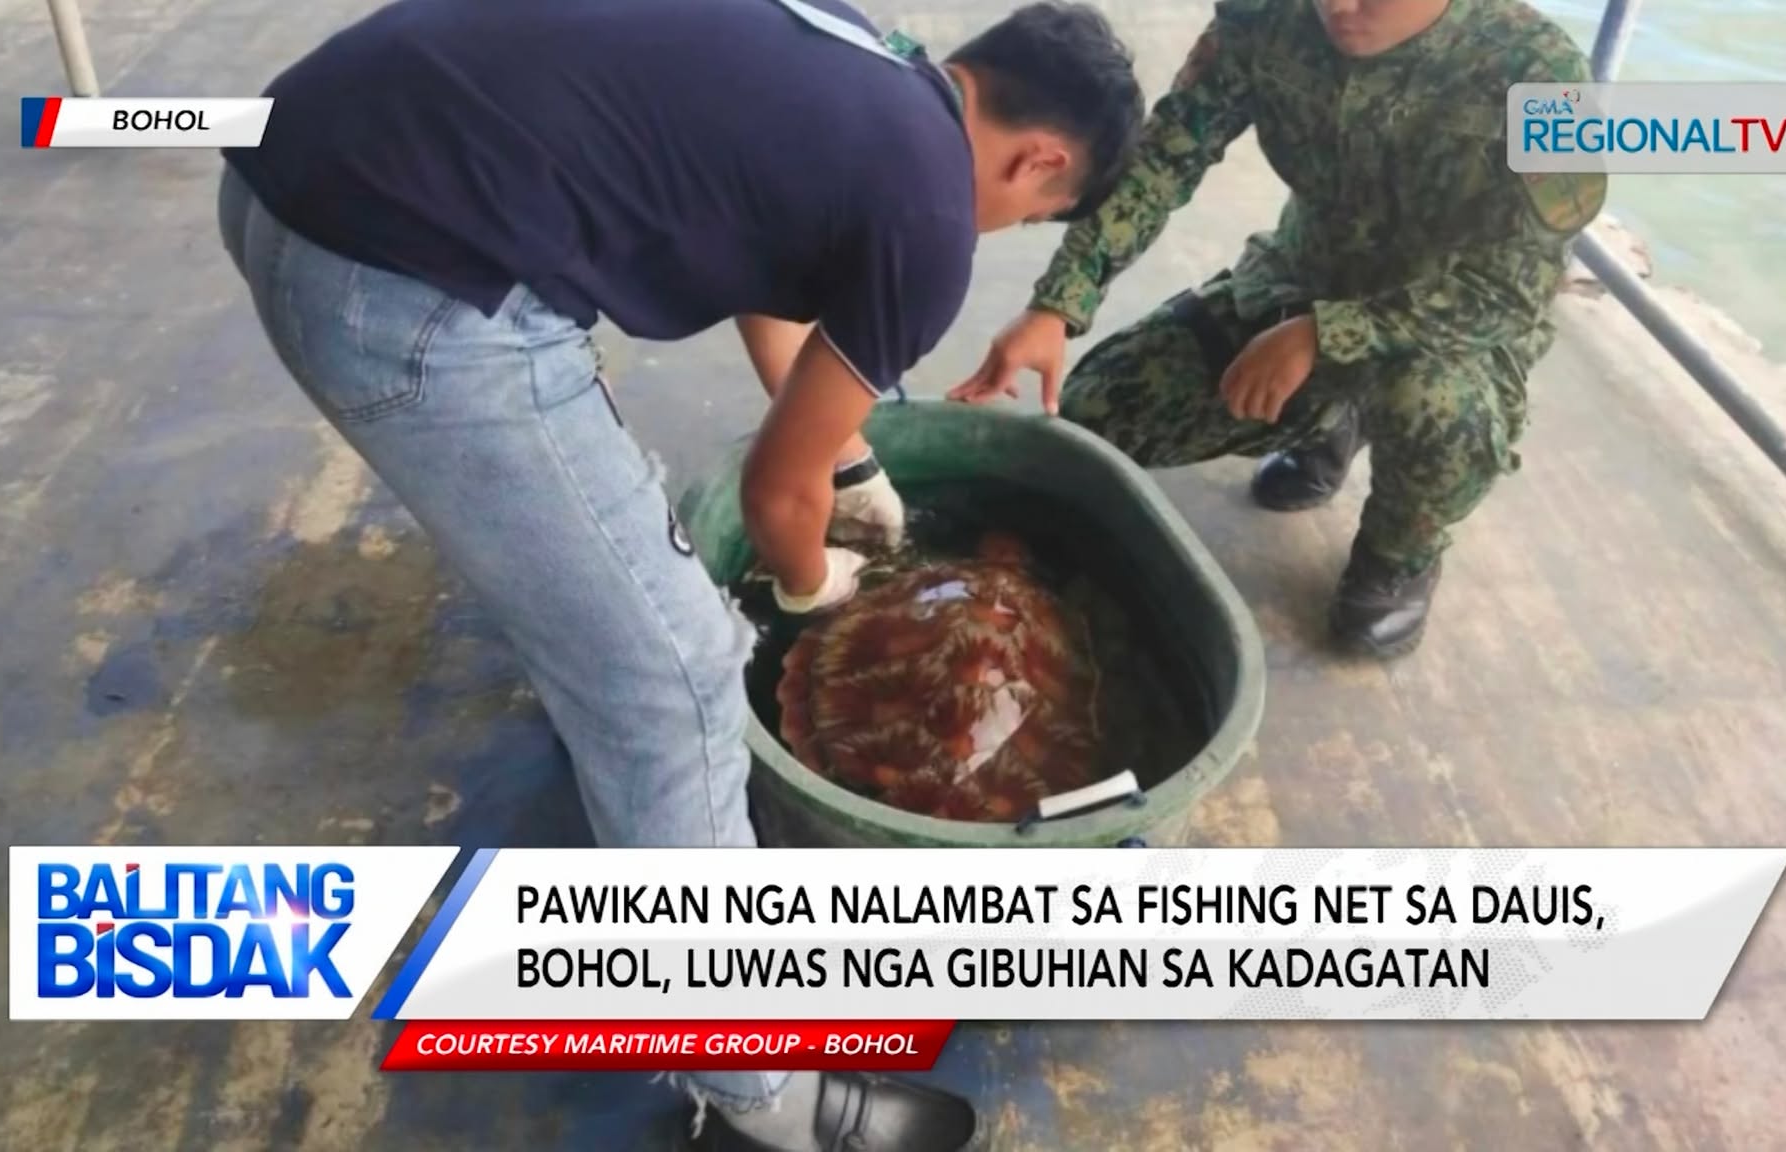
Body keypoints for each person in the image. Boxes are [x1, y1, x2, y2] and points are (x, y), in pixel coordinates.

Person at [213, 0, 1142, 1148]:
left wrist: (846, 457)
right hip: (405, 291)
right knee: (682, 679)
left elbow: (773, 271)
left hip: (288, 177)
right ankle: (753, 1086)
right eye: (1024, 214)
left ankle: (603, 698)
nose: (990, 227)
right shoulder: (927, 214)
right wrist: (812, 588)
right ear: (1041, 158)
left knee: (614, 579)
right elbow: (772, 499)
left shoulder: (856, 54)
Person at [953, 0, 1608, 657]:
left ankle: (1398, 556)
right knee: (1095, 419)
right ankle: (1331, 420)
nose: (1338, 7)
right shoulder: (1268, 12)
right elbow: (1164, 159)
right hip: (1297, 280)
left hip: (1447, 331)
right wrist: (1060, 303)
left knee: (1441, 416)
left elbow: (1510, 290)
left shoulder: (1546, 77)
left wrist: (1322, 336)